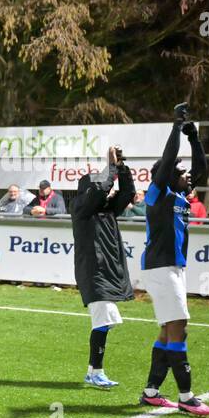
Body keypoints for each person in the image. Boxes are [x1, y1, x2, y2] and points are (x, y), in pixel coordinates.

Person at [138, 107, 209, 416]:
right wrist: (176, 126)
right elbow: (169, 160)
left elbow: (202, 172)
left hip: (173, 269)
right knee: (178, 328)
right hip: (161, 268)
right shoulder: (157, 194)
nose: (187, 177)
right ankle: (186, 397)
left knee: (168, 330)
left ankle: (151, 392)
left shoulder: (182, 196)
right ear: (170, 175)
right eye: (181, 173)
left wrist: (194, 138)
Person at [71, 147, 135, 389]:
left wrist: (121, 167)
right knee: (102, 321)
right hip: (93, 273)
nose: (108, 189)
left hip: (107, 272)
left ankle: (93, 371)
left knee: (105, 322)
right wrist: (110, 168)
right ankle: (95, 371)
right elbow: (99, 190)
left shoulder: (107, 209)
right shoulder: (81, 208)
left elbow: (128, 192)